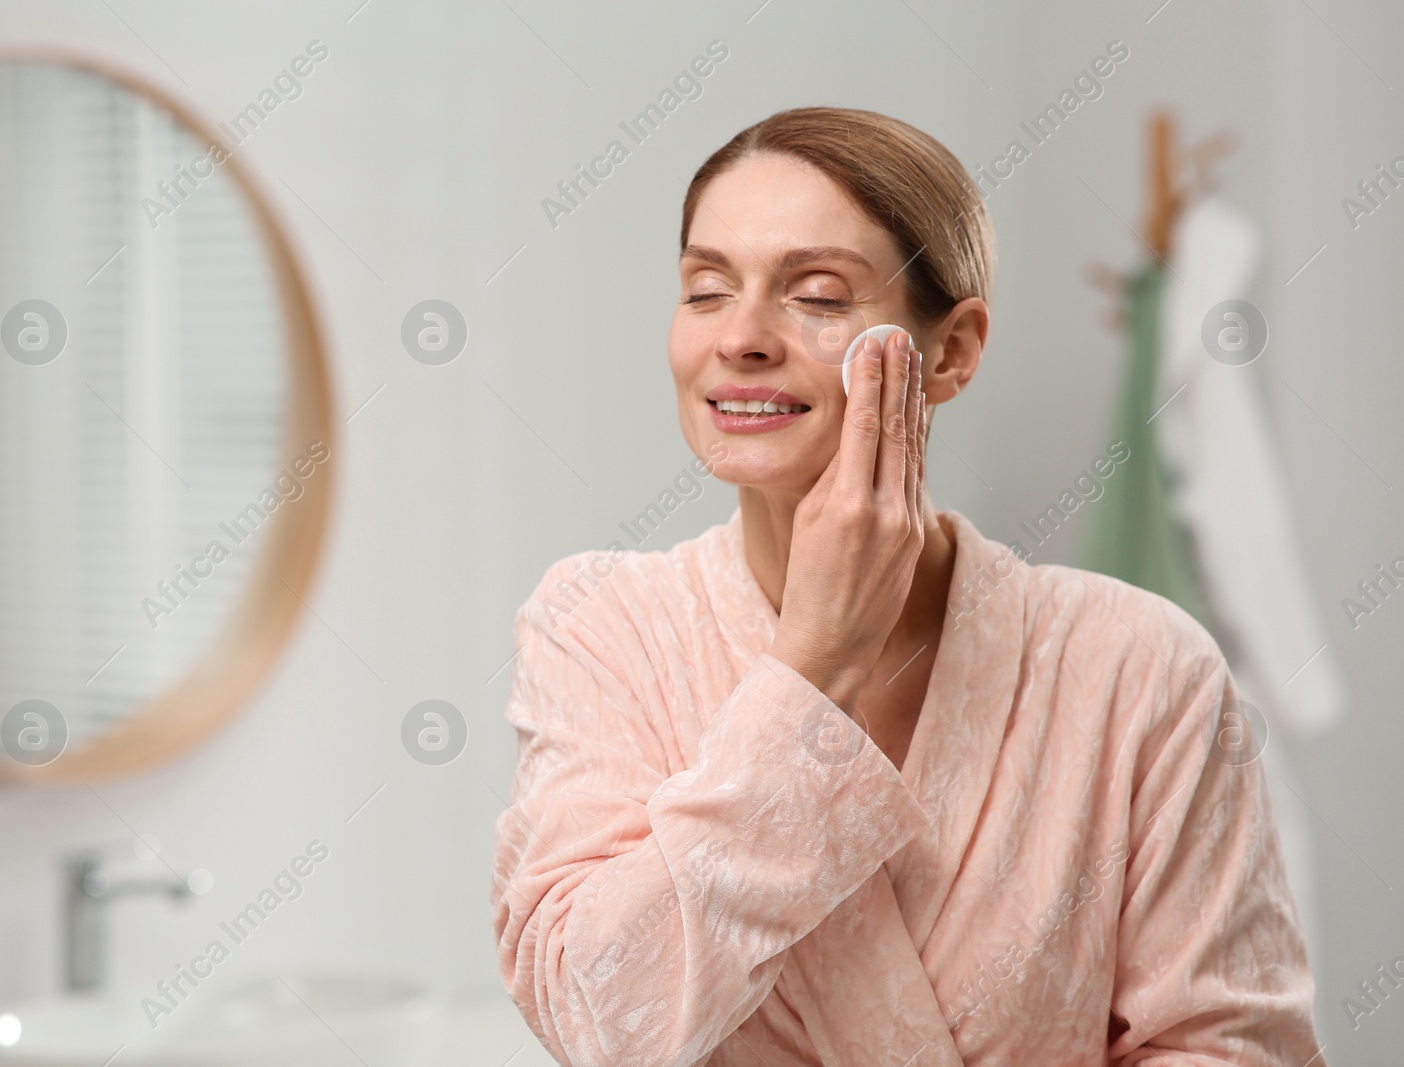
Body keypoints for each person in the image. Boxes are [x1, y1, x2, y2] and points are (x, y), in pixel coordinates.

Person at [491, 106, 1324, 1066]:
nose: (744, 338)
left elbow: (1233, 1047)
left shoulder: (1138, 664)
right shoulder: (600, 628)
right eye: (708, 288)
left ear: (954, 349)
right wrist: (812, 666)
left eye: (816, 295)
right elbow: (600, 1021)